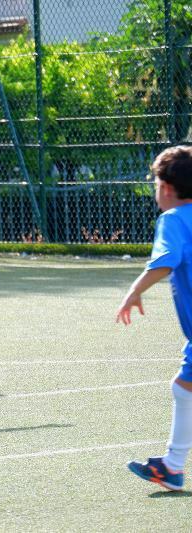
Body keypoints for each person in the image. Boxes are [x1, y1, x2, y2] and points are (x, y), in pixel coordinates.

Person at [117, 144, 192, 491]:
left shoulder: (174, 220)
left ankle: (172, 468)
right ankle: (172, 467)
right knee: (185, 387)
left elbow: (165, 260)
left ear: (164, 187)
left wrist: (135, 291)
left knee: (183, 388)